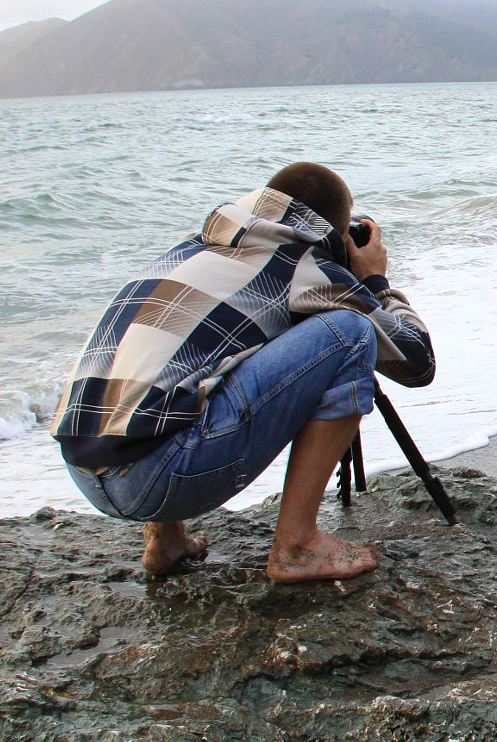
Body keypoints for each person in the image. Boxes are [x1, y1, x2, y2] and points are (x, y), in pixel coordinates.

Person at [51, 162, 434, 582]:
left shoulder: (191, 250)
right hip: (163, 479)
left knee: (203, 360)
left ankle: (165, 540)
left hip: (84, 472)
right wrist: (375, 280)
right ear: (339, 233)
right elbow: (418, 364)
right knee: (351, 332)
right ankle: (297, 546)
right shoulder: (305, 267)